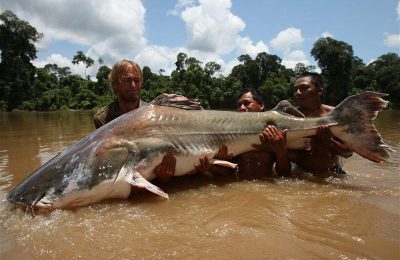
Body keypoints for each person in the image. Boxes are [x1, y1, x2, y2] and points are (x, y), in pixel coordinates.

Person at [287, 72, 353, 175]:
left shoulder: (336, 116)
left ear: (320, 90)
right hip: (301, 173)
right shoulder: (289, 117)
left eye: (304, 88)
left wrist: (329, 141)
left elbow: (348, 153)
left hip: (332, 172)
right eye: (295, 90)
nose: (298, 93)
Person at [93, 59, 146, 129]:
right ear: (115, 84)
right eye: (127, 80)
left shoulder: (152, 113)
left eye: (137, 80)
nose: (133, 85)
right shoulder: (103, 118)